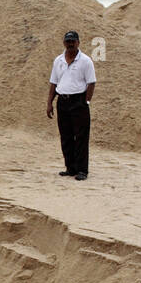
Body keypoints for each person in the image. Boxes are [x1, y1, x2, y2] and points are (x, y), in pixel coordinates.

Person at [46, 30, 96, 180]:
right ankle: (70, 167)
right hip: (62, 101)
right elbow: (53, 83)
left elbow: (91, 82)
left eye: (73, 41)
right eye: (68, 41)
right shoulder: (58, 61)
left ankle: (82, 170)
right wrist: (49, 102)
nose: (70, 44)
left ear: (78, 42)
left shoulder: (85, 61)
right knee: (66, 136)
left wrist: (86, 101)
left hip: (78, 101)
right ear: (64, 43)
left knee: (81, 137)